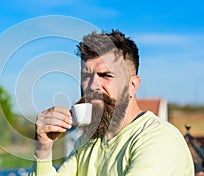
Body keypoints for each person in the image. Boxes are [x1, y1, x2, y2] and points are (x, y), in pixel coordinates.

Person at [29, 30, 194, 175]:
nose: (92, 86)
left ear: (132, 86)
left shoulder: (159, 140)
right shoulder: (87, 143)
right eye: (86, 77)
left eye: (106, 75)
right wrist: (43, 149)